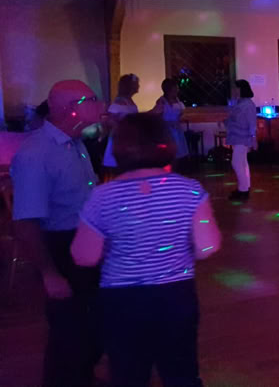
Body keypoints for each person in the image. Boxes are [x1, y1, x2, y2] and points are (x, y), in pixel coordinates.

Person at [70, 113, 221, 386]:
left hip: (122, 299)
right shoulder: (190, 190)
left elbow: (84, 256)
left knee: (128, 374)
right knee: (181, 373)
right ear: (166, 143)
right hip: (176, 295)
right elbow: (207, 247)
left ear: (119, 147)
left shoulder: (103, 196)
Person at [11, 80, 105, 386]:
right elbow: (26, 223)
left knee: (90, 324)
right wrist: (49, 273)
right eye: (91, 99)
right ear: (70, 109)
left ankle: (82, 377)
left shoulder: (75, 142)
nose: (99, 105)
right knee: (68, 330)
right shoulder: (37, 154)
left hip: (83, 242)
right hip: (61, 246)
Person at [225, 80, 257, 201]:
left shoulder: (247, 104)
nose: (234, 90)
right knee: (242, 163)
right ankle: (245, 187)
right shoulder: (240, 102)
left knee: (236, 163)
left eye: (236, 88)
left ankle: (243, 190)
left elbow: (252, 123)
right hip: (238, 136)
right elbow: (234, 118)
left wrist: (253, 138)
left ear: (241, 89)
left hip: (242, 137)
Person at [102, 74, 140, 173]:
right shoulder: (119, 102)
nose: (138, 86)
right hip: (120, 140)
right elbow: (108, 120)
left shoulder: (129, 100)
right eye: (136, 84)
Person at [151, 78, 189, 170]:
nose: (177, 89)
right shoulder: (162, 101)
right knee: (170, 153)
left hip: (177, 129)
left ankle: (177, 172)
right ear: (169, 89)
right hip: (167, 130)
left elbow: (180, 113)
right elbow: (156, 115)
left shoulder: (177, 100)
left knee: (179, 152)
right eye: (175, 88)